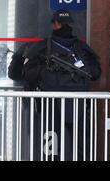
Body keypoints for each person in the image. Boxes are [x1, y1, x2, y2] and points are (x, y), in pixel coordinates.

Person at [22, 10, 102, 160]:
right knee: (62, 150)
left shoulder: (78, 49)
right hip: (60, 105)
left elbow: (95, 73)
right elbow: (27, 74)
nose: (62, 26)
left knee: (69, 149)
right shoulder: (45, 49)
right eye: (62, 23)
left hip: (66, 105)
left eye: (63, 23)